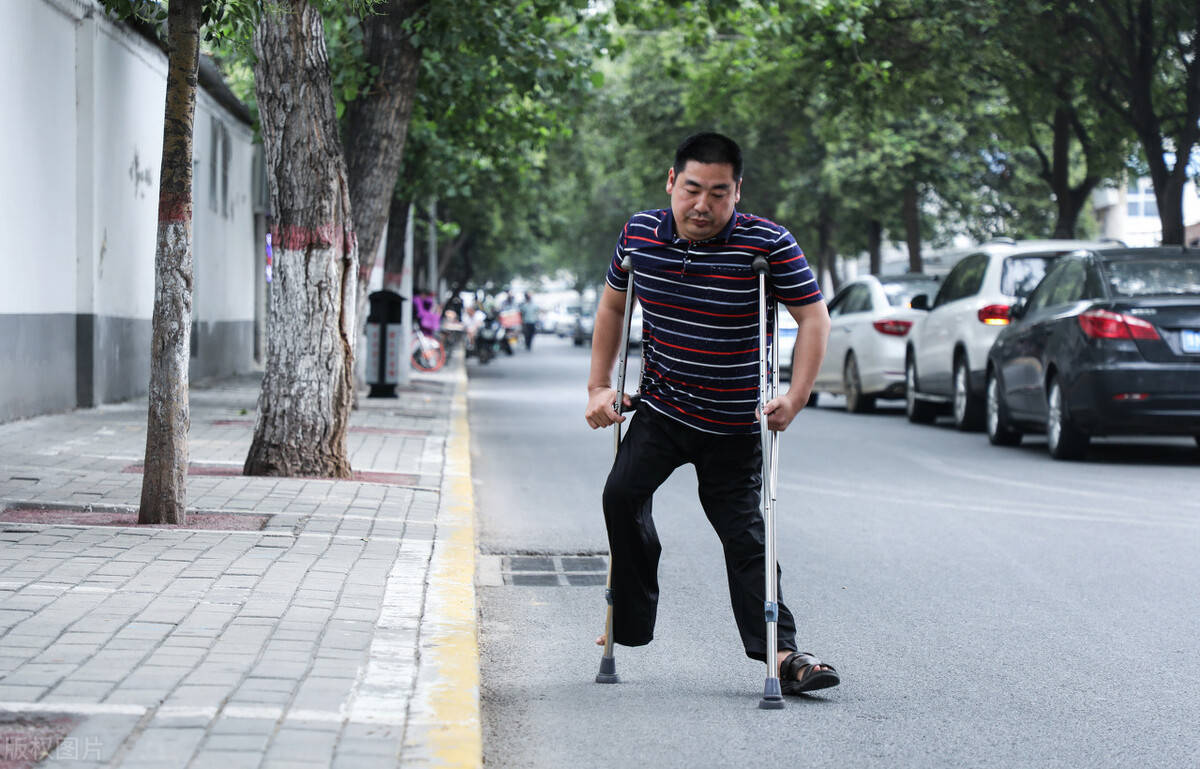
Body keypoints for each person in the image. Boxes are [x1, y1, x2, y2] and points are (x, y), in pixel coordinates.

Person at [584, 132, 839, 695]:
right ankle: (628, 621)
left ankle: (784, 654)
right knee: (621, 496)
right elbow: (612, 303)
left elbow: (814, 319)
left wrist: (794, 399)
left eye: (719, 194)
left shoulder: (766, 244)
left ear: (737, 192)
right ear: (671, 182)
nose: (703, 205)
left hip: (732, 425)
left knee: (745, 538)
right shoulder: (638, 235)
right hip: (662, 409)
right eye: (693, 189)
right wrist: (599, 385)